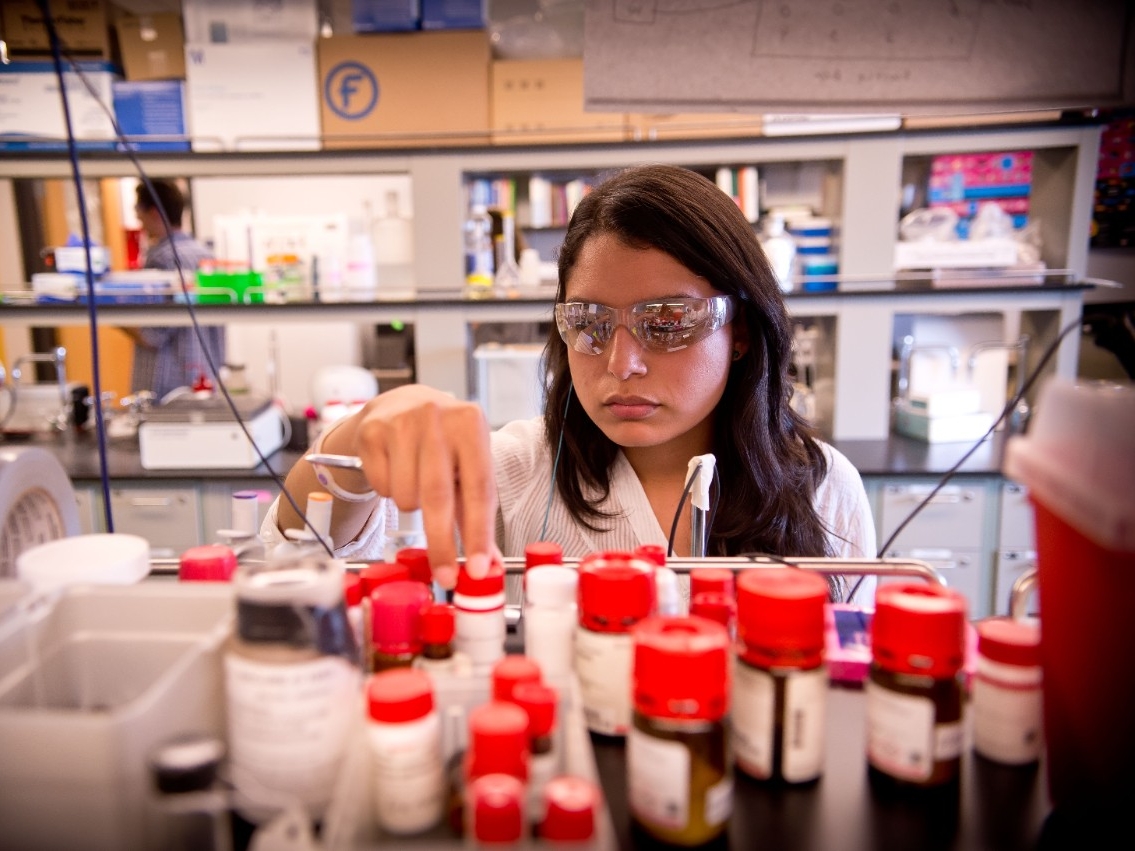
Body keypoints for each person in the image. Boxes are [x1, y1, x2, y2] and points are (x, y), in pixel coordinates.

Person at [265, 164, 876, 598]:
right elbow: (298, 556)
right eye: (588, 322)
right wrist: (357, 438)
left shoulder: (825, 490)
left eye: (664, 322)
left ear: (739, 331)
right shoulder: (512, 470)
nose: (620, 363)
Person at [125, 179, 225, 401]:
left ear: (154, 213)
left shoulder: (163, 259)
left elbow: (152, 335)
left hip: (168, 388)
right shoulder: (205, 255)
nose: (139, 220)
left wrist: (114, 314)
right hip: (205, 380)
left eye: (138, 212)